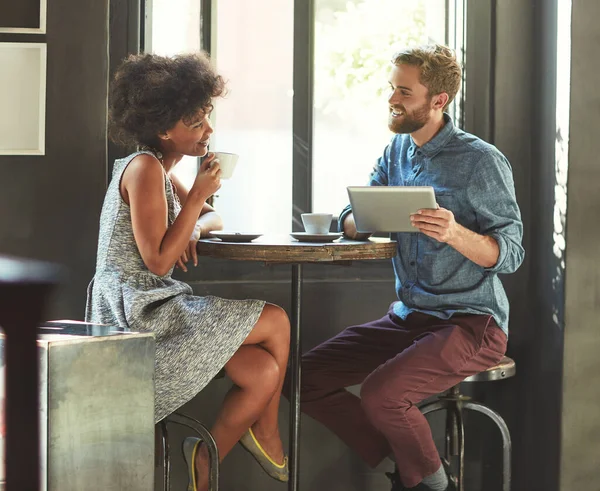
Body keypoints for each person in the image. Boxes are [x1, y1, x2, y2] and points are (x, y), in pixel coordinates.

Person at [288, 44, 524, 491]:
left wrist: (454, 233)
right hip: (410, 318)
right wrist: (360, 220)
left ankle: (432, 484)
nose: (392, 100)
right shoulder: (396, 151)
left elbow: (510, 254)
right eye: (391, 89)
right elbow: (352, 213)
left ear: (438, 100)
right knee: (304, 380)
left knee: (383, 395)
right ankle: (410, 463)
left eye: (404, 92)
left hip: (471, 322)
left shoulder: (481, 161)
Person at [85, 52, 290, 491]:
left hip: (157, 304)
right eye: (197, 123)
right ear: (164, 129)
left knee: (263, 373)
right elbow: (158, 261)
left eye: (207, 118)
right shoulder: (143, 169)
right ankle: (268, 435)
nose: (208, 132)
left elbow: (214, 218)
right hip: (138, 314)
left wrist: (194, 220)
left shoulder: (160, 169)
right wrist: (196, 196)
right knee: (275, 319)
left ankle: (204, 456)